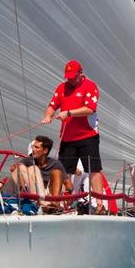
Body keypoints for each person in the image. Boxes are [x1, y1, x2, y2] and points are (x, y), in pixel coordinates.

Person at [42, 60, 106, 211]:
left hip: (87, 135)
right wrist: (48, 115)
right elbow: (53, 105)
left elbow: (90, 109)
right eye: (67, 77)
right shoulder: (62, 87)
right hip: (68, 138)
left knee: (94, 169)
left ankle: (100, 204)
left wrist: (69, 113)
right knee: (63, 171)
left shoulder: (90, 86)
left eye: (72, 77)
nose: (69, 80)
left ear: (80, 74)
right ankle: (60, 203)